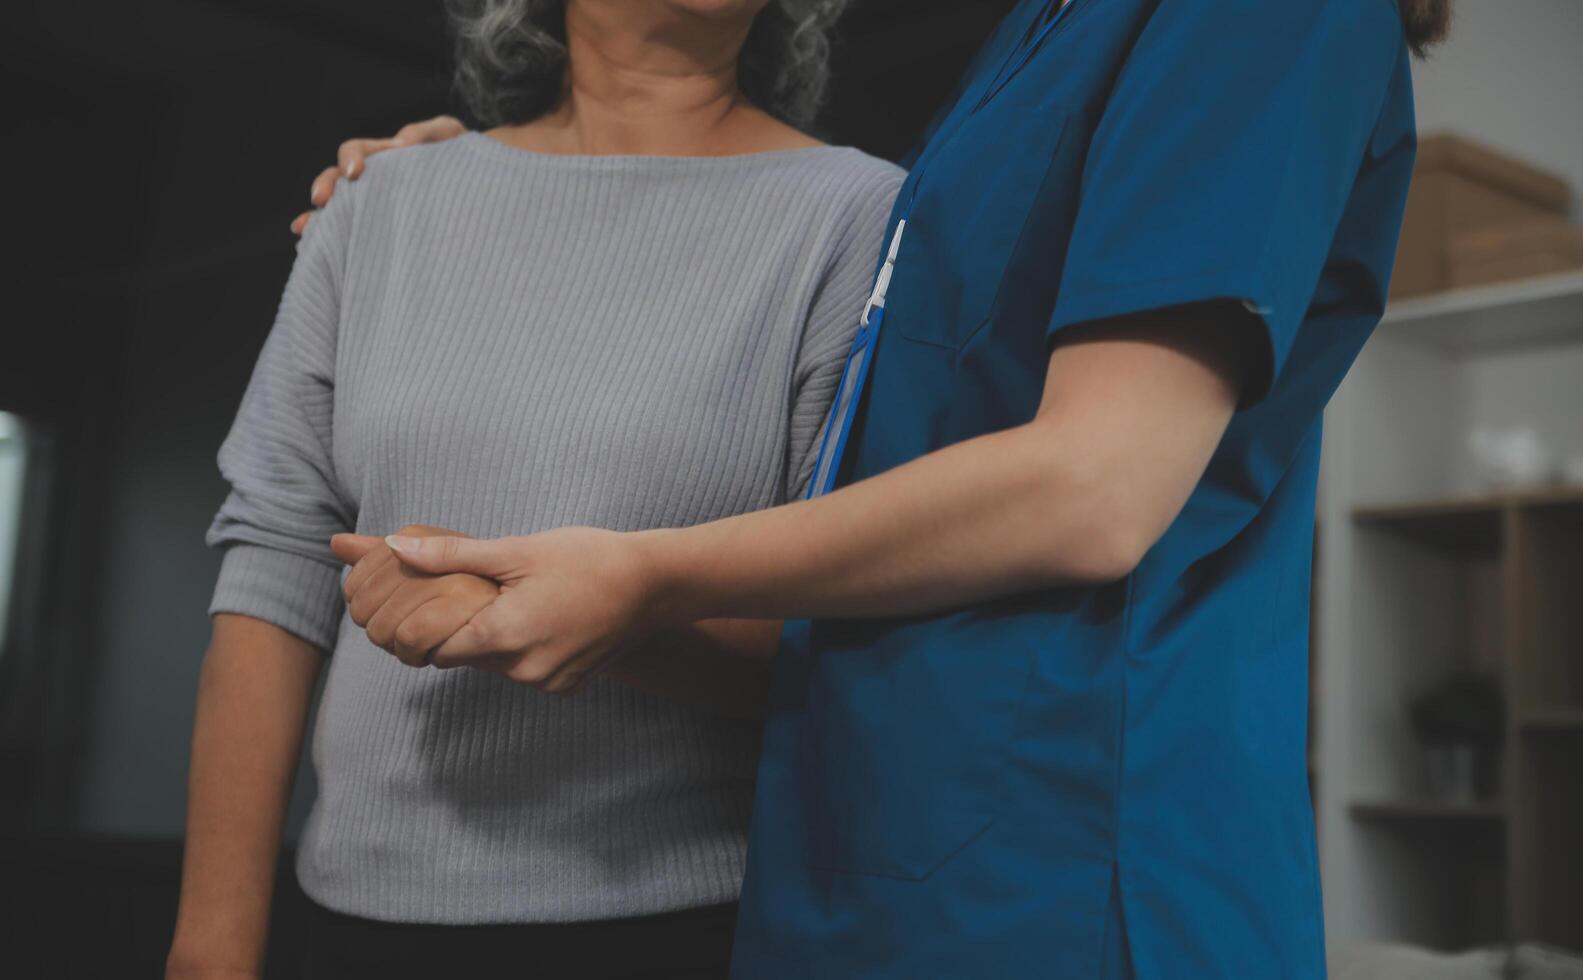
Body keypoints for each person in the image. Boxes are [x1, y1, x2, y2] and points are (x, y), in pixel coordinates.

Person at [320, 0, 1452, 975]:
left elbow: (1095, 485)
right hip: (879, 845)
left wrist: (645, 574)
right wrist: (468, 183)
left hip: (1059, 868)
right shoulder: (1043, 35)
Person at [165, 1, 904, 978]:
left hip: (685, 926)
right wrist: (212, 944)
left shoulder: (858, 215)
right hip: (344, 920)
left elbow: (846, 640)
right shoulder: (381, 199)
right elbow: (274, 555)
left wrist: (541, 616)